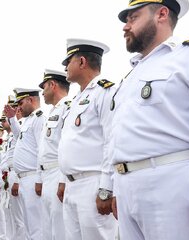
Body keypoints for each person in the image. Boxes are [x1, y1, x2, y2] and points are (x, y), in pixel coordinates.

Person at [110, 1, 189, 239]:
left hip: (172, 185)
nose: (125, 27)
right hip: (128, 187)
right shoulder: (132, 74)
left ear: (162, 14)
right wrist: (116, 188)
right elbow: (117, 135)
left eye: (133, 18)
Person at [57, 39, 117, 240]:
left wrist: (106, 189)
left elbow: (112, 140)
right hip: (72, 184)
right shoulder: (75, 100)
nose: (65, 67)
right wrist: (64, 180)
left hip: (93, 184)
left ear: (82, 61)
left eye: (68, 61)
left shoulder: (105, 91)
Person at [8, 88, 46, 239]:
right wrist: (12, 119)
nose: (18, 107)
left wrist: (39, 179)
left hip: (32, 178)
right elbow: (20, 137)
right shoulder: (28, 120)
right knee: (28, 224)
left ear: (30, 100)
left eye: (21, 103)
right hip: (24, 178)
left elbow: (41, 150)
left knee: (36, 226)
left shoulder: (39, 118)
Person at [37, 69, 70, 240]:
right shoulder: (52, 112)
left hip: (58, 173)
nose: (42, 92)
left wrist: (63, 180)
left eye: (44, 87)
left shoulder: (68, 107)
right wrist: (39, 178)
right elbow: (42, 150)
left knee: (60, 228)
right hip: (47, 175)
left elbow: (68, 148)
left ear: (53, 85)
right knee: (47, 228)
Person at [1, 96, 26, 240]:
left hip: (18, 175)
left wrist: (16, 179)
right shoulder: (12, 133)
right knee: (13, 215)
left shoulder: (21, 127)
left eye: (12, 109)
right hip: (10, 175)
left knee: (21, 218)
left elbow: (21, 157)